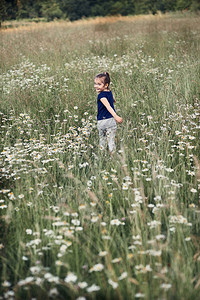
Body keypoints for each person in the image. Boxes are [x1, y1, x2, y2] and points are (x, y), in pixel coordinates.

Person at [94, 72, 123, 153]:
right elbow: (113, 100)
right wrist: (112, 101)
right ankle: (112, 155)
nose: (96, 86)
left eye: (99, 84)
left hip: (102, 121)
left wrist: (116, 116)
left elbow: (108, 107)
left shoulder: (101, 96)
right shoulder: (109, 92)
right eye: (95, 84)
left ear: (106, 85)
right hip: (111, 121)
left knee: (102, 140)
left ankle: (102, 155)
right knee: (111, 141)